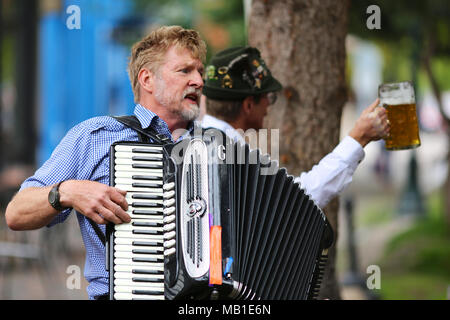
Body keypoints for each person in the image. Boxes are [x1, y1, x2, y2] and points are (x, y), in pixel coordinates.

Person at [5, 25, 206, 300]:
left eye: (200, 72)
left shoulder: (213, 148)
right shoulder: (95, 136)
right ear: (147, 79)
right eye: (185, 71)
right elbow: (16, 213)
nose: (198, 80)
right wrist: (67, 192)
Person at [201, 46, 390, 208]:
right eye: (268, 97)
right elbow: (297, 200)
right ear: (249, 105)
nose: (269, 105)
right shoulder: (230, 156)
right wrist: (358, 138)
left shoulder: (199, 143)